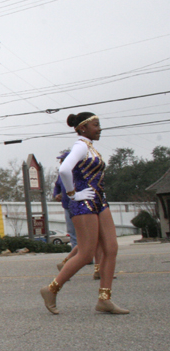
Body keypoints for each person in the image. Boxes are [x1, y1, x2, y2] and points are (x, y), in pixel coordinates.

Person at [40, 112, 128, 315]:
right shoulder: (80, 146)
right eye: (96, 125)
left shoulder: (90, 148)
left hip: (99, 201)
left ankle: (104, 299)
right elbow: (65, 170)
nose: (99, 128)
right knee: (87, 252)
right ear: (82, 128)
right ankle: (51, 289)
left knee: (111, 248)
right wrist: (73, 194)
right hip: (84, 203)